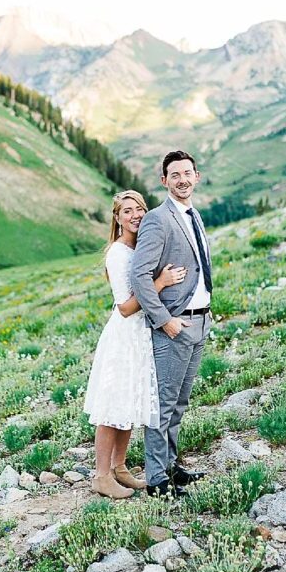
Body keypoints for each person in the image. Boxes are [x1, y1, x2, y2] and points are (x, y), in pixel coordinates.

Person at [84, 190, 187, 499]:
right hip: (124, 336)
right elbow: (125, 308)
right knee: (112, 405)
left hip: (140, 335)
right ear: (117, 218)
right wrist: (160, 283)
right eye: (127, 211)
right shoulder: (117, 253)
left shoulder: (137, 247)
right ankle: (101, 475)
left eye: (139, 209)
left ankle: (120, 467)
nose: (135, 215)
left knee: (129, 402)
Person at [130, 150, 212, 497]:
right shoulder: (158, 219)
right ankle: (156, 480)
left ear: (196, 177)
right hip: (174, 328)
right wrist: (164, 321)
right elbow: (139, 275)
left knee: (180, 404)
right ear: (164, 180)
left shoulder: (194, 215)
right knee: (162, 406)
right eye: (174, 174)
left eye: (187, 173)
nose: (181, 179)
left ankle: (172, 467)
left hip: (200, 323)